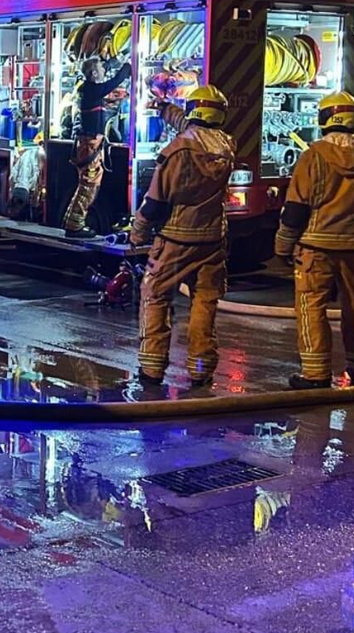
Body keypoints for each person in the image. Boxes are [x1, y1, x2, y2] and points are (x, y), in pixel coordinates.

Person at [273, 91, 354, 388]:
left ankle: (315, 374)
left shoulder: (313, 157)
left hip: (315, 250)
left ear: (325, 120)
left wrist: (283, 246)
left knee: (311, 308)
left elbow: (296, 210)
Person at [129, 85, 234, 386]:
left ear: (192, 110)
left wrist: (138, 232)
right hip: (213, 239)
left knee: (155, 296)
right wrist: (163, 108)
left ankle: (151, 368)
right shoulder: (226, 146)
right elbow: (193, 127)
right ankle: (201, 368)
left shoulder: (176, 151)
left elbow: (156, 200)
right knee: (204, 302)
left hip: (175, 239)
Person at [61, 31, 132, 238]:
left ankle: (72, 222)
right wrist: (127, 68)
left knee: (87, 185)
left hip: (91, 143)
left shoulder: (89, 89)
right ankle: (75, 226)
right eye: (101, 69)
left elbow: (107, 86)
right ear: (93, 74)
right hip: (89, 144)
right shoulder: (90, 89)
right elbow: (111, 84)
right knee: (88, 186)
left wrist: (115, 61)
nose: (104, 71)